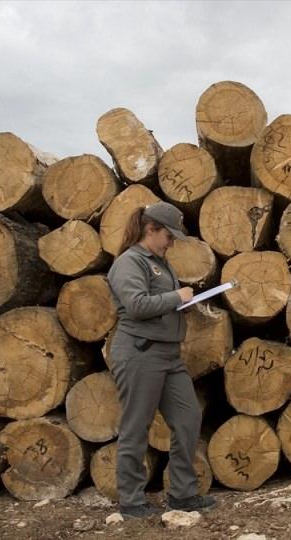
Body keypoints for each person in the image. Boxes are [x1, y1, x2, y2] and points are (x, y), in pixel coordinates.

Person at [106, 201, 215, 518]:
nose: (172, 242)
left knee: (188, 418)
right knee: (136, 426)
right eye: (169, 236)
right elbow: (138, 305)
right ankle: (131, 500)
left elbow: (159, 301)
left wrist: (183, 301)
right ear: (150, 229)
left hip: (168, 353)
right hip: (140, 352)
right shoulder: (129, 262)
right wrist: (177, 297)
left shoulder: (159, 261)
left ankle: (182, 493)